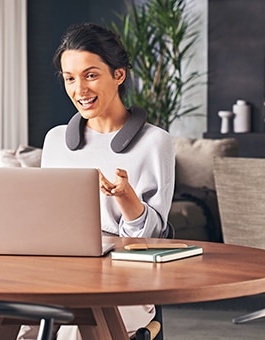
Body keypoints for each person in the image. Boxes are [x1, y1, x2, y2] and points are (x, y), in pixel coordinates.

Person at [19, 22, 175, 339]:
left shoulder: (155, 143)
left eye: (91, 75)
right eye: (70, 79)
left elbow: (155, 238)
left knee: (73, 330)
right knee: (5, 318)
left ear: (118, 75)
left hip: (126, 280)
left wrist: (127, 198)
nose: (80, 90)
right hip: (60, 273)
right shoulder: (56, 140)